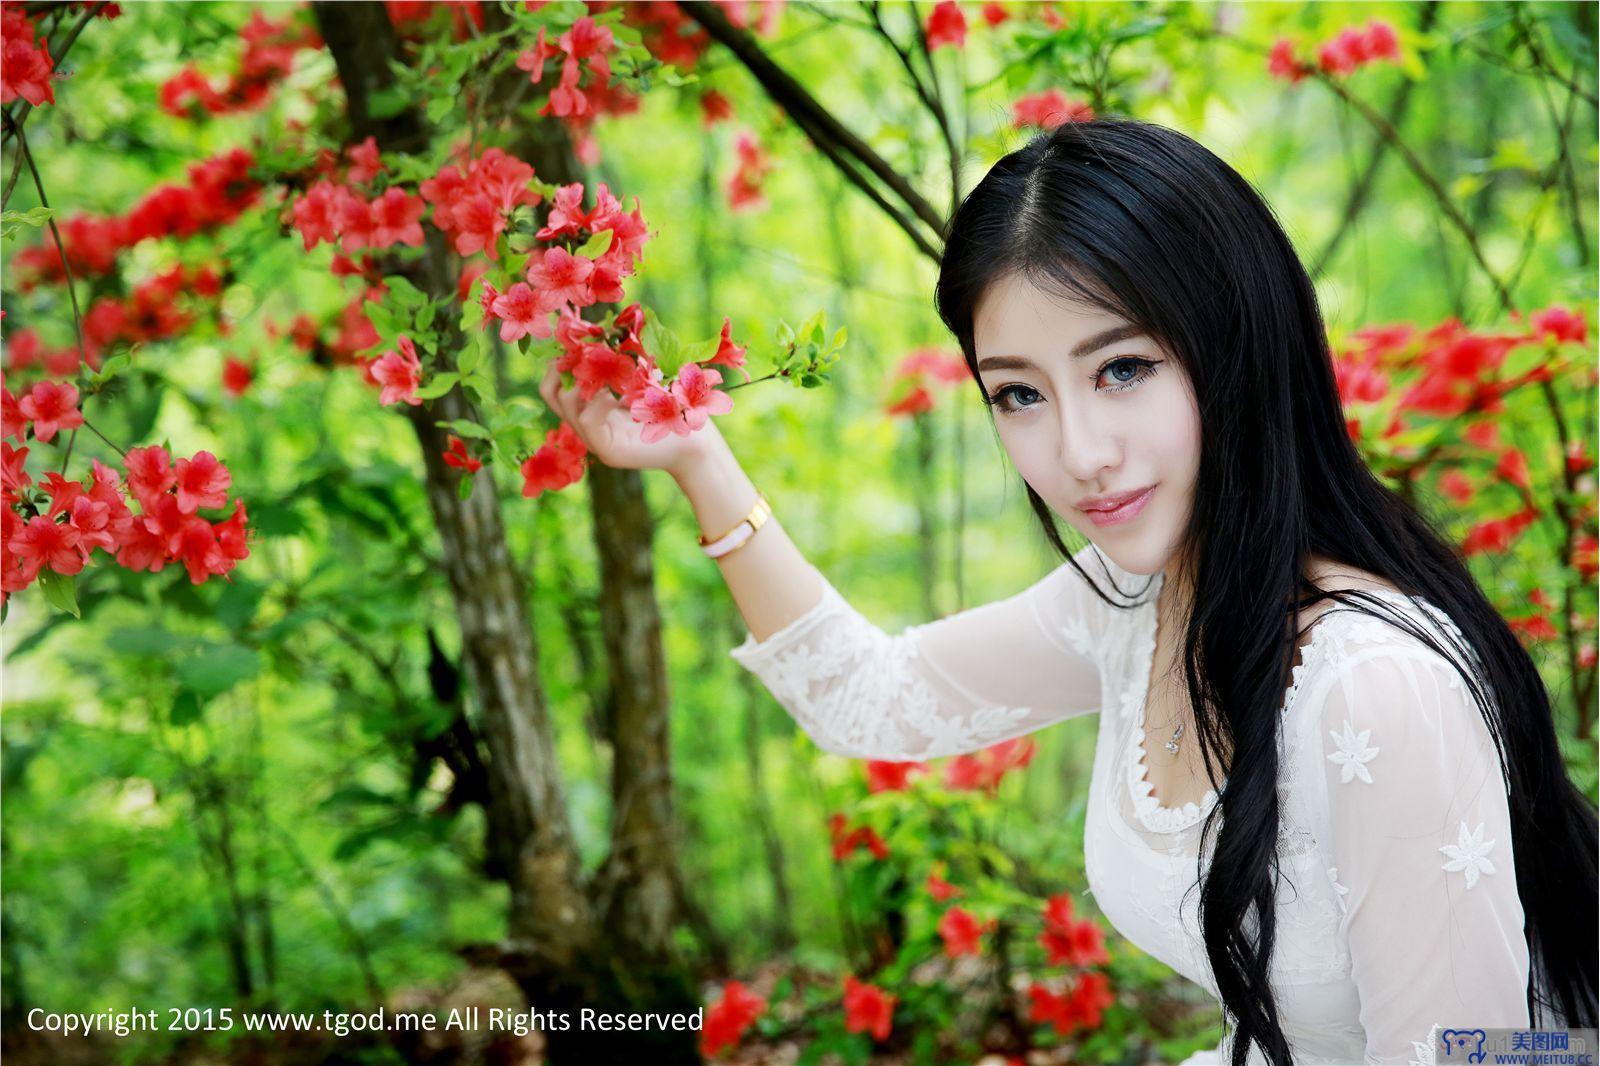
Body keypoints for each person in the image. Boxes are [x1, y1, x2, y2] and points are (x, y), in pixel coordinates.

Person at [539, 117, 1598, 1064]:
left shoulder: (1376, 691)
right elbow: (868, 698)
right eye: (1018, 393)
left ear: (1233, 347)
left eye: (1122, 368)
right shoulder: (1131, 600)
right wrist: (697, 459)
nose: (1077, 451)